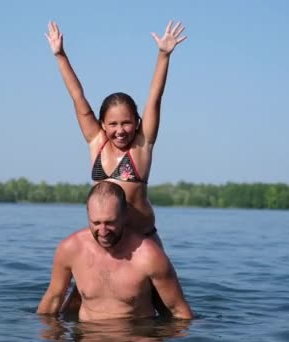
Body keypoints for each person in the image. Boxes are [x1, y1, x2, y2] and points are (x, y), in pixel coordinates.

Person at [44, 20, 187, 315]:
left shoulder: (142, 147)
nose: (120, 131)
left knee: (167, 310)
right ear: (102, 124)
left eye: (126, 123)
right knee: (73, 306)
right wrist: (60, 55)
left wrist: (164, 56)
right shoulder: (96, 142)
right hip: (106, 241)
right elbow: (78, 98)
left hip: (141, 242)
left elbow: (154, 98)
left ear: (136, 123)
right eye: (112, 124)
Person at [36, 181, 193, 321]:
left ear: (125, 215)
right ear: (87, 214)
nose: (103, 231)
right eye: (96, 222)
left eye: (110, 222)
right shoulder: (70, 249)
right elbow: (53, 300)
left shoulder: (149, 256)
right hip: (88, 336)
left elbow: (179, 312)